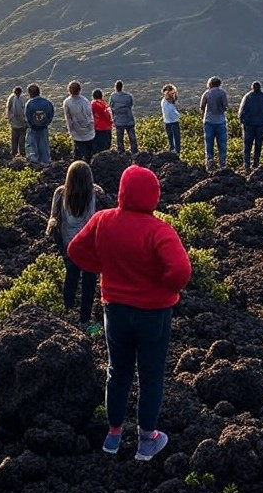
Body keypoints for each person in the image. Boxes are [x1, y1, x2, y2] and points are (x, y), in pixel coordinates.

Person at [67, 165, 192, 460]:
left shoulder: (102, 220)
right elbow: (181, 271)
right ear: (154, 195)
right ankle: (147, 440)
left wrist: (102, 268)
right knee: (151, 374)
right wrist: (163, 287)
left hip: (115, 309)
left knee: (118, 371)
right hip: (153, 313)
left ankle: (113, 436)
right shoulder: (159, 230)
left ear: (122, 192)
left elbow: (75, 250)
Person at [47, 160, 104, 334]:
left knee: (71, 277)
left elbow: (53, 219)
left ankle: (68, 312)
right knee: (89, 282)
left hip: (69, 246)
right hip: (89, 247)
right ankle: (84, 321)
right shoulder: (95, 194)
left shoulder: (60, 193)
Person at [238, 80, 263, 172]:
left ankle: (247, 165)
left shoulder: (248, 96)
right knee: (258, 144)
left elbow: (242, 110)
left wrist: (241, 120)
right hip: (260, 124)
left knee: (247, 145)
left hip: (249, 125)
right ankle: (256, 163)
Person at [200, 76, 229, 170]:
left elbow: (202, 106)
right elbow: (225, 107)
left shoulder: (206, 93)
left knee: (209, 144)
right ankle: (222, 164)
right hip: (220, 121)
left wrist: (203, 115)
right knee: (222, 144)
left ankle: (209, 162)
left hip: (208, 121)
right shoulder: (222, 93)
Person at [63, 80, 95, 163]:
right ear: (79, 90)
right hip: (88, 132)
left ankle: (76, 169)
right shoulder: (85, 101)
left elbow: (68, 118)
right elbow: (89, 116)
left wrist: (70, 130)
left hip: (76, 132)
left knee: (78, 153)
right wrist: (91, 128)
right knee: (88, 154)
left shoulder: (67, 102)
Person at [24, 83, 54, 167]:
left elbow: (27, 117)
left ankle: (34, 160)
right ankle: (46, 161)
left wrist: (31, 125)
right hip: (44, 127)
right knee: (44, 144)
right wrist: (46, 123)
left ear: (30, 93)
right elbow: (51, 113)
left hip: (33, 128)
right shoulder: (47, 102)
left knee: (31, 144)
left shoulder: (29, 103)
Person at [109, 81, 139, 156]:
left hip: (118, 120)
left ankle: (121, 151)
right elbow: (131, 105)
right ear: (122, 87)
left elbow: (111, 107)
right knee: (132, 137)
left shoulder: (113, 97)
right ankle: (134, 151)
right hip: (129, 119)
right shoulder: (128, 96)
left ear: (115, 87)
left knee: (119, 138)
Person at [5, 86, 27, 157]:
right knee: (14, 139)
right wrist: (9, 118)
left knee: (21, 140)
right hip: (14, 123)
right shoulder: (12, 98)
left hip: (22, 123)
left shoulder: (23, 98)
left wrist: (25, 120)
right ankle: (14, 153)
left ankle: (22, 153)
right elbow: (8, 108)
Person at [161, 84, 181, 156]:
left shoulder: (169, 101)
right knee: (174, 138)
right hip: (171, 122)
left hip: (170, 122)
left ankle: (175, 152)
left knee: (174, 138)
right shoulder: (166, 101)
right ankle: (174, 152)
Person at [91, 89, 113, 154]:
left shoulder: (93, 104)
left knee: (97, 149)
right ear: (101, 96)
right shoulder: (105, 105)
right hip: (107, 128)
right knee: (106, 149)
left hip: (97, 129)